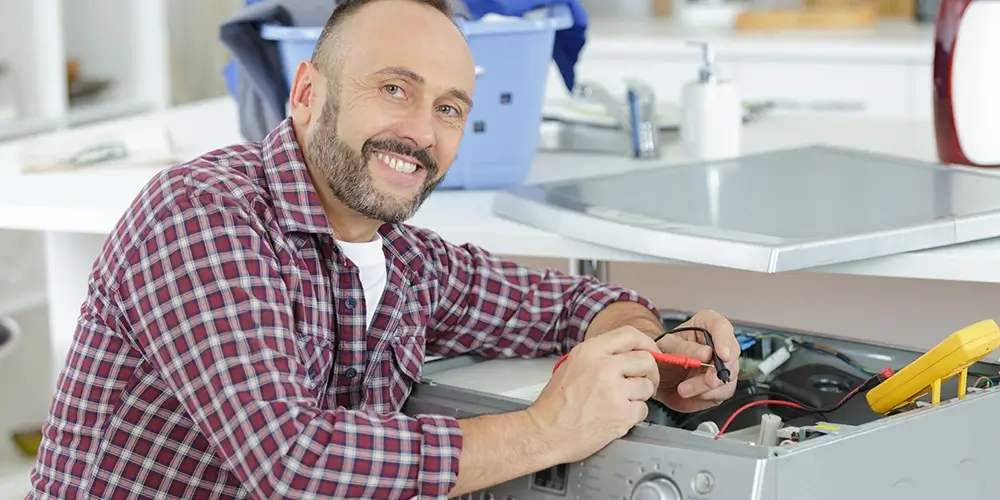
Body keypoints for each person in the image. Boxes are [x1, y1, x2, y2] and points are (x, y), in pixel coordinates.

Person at [28, 0, 740, 498]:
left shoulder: (402, 258)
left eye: (449, 108)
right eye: (395, 88)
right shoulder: (205, 215)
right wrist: (546, 430)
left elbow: (568, 303)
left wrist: (653, 349)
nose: (423, 134)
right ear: (306, 93)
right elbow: (294, 465)